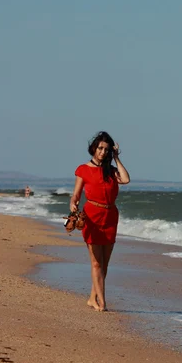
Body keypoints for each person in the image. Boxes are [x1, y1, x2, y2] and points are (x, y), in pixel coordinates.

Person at [70, 131, 130, 312]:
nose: (102, 152)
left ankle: (91, 298)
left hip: (111, 216)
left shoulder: (111, 171)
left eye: (106, 149)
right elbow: (76, 194)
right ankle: (102, 303)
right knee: (96, 263)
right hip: (92, 217)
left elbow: (126, 179)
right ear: (94, 148)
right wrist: (73, 203)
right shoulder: (83, 169)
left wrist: (117, 158)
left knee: (104, 264)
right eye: (100, 148)